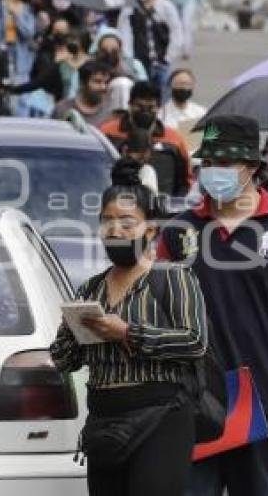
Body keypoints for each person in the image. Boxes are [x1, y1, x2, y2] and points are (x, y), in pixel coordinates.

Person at [158, 116, 268, 496]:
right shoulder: (177, 232)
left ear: (251, 167)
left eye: (225, 163)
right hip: (194, 402)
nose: (214, 172)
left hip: (264, 402)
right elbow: (161, 311)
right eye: (209, 163)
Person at [50, 159, 207, 496]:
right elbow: (63, 360)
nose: (115, 230)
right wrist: (71, 327)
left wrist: (127, 332)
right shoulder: (90, 289)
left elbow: (195, 342)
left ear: (149, 229)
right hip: (104, 419)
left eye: (126, 221)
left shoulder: (172, 277)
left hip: (161, 417)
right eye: (107, 221)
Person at [101, 81, 193, 196]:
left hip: (163, 207)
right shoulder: (107, 133)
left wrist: (175, 207)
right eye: (139, 106)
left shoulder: (174, 140)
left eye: (151, 108)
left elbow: (186, 180)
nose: (145, 112)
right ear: (129, 104)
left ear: (159, 107)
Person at [119, 0, 184, 96]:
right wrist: (130, 59)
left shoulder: (165, 6)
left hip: (162, 61)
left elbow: (176, 32)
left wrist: (169, 57)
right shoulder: (129, 7)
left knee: (164, 95)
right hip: (139, 63)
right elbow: (125, 34)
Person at [0, 0, 37, 117]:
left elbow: (29, 32)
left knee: (21, 97)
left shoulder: (27, 9)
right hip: (3, 54)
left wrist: (16, 15)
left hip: (22, 59)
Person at [11, 15, 70, 117]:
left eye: (63, 32)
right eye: (56, 32)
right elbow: (41, 80)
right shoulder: (45, 54)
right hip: (46, 102)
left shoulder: (72, 52)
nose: (59, 36)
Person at [90, 28, 149, 111]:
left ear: (120, 50)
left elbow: (145, 90)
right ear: (98, 51)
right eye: (104, 50)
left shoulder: (134, 65)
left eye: (114, 51)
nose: (109, 54)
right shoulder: (90, 66)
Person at [52, 60, 114, 128]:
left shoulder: (110, 112)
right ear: (83, 84)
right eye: (97, 82)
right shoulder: (62, 109)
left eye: (106, 82)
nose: (103, 87)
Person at [120, 129, 161, 195]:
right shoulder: (147, 171)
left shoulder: (112, 167)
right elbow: (149, 201)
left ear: (125, 149)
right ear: (147, 153)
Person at [59, 28, 92, 99]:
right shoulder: (63, 63)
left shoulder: (91, 64)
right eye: (69, 39)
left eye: (73, 39)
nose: (70, 42)